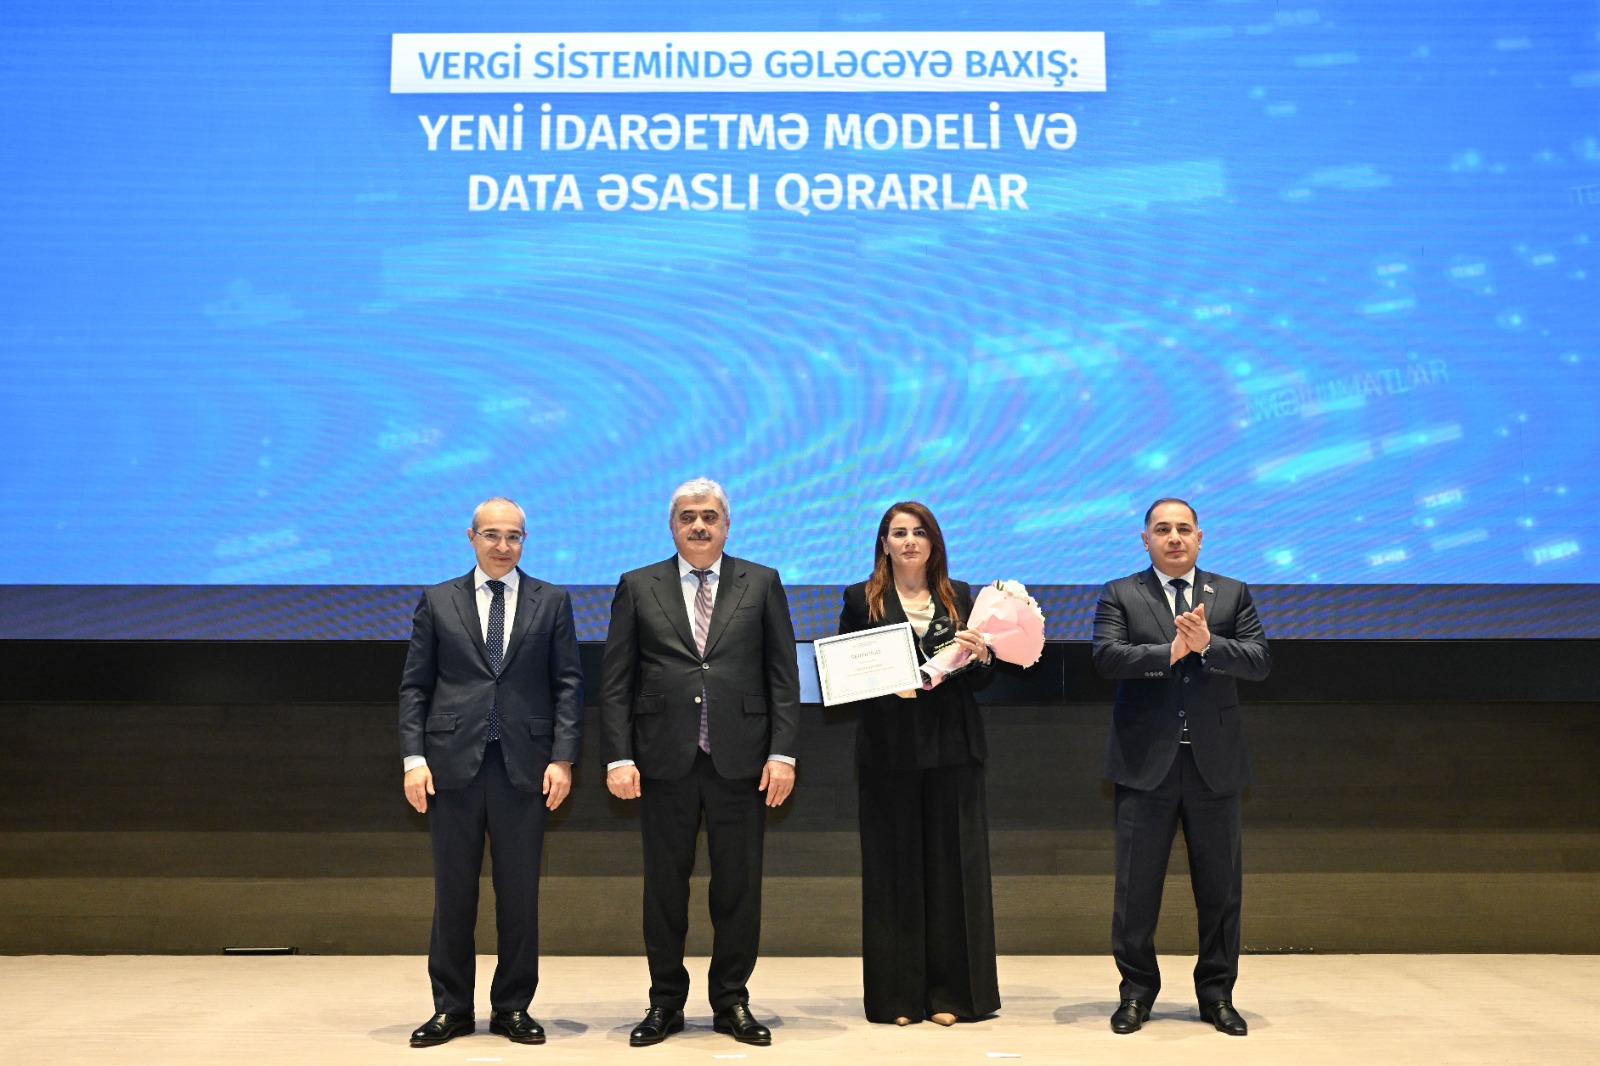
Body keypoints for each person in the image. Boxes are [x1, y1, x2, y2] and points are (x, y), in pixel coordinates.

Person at [599, 477, 801, 1047]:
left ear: (726, 525)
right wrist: (618, 756)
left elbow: (783, 676)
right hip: (663, 761)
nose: (699, 525)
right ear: (672, 526)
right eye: (688, 516)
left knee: (738, 887)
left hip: (743, 761)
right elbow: (615, 682)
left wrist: (783, 752)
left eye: (709, 516)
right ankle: (665, 1002)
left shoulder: (762, 581)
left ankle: (731, 1000)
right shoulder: (637, 585)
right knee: (665, 889)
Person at [398, 497, 584, 1048]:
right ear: (471, 537)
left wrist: (563, 757)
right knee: (453, 894)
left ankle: (512, 1007)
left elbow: (568, 684)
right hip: (450, 766)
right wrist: (413, 759)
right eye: (493, 535)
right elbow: (415, 686)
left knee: (519, 894)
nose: (503, 546)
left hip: (525, 767)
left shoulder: (552, 600)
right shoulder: (438, 600)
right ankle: (451, 1008)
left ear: (524, 540)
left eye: (514, 536)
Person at [1091, 498, 1272, 1037]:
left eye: (1184, 529)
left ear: (1200, 538)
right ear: (1145, 539)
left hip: (1214, 766)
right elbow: (1106, 658)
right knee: (1136, 890)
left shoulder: (1232, 592)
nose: (1174, 537)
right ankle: (1136, 994)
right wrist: (1168, 653)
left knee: (1220, 890)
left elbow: (1259, 660)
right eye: (1163, 529)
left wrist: (1209, 644)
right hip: (1145, 765)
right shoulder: (1121, 593)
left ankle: (1217, 995)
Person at [837, 501, 1001, 1027]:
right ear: (884, 544)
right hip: (889, 751)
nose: (909, 541)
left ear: (934, 543)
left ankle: (954, 995)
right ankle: (898, 999)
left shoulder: (962, 596)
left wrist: (983, 656)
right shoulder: (860, 599)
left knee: (955, 870)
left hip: (953, 748)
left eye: (919, 532)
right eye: (899, 532)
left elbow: (981, 679)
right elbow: (847, 673)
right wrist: (887, 683)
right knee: (894, 871)